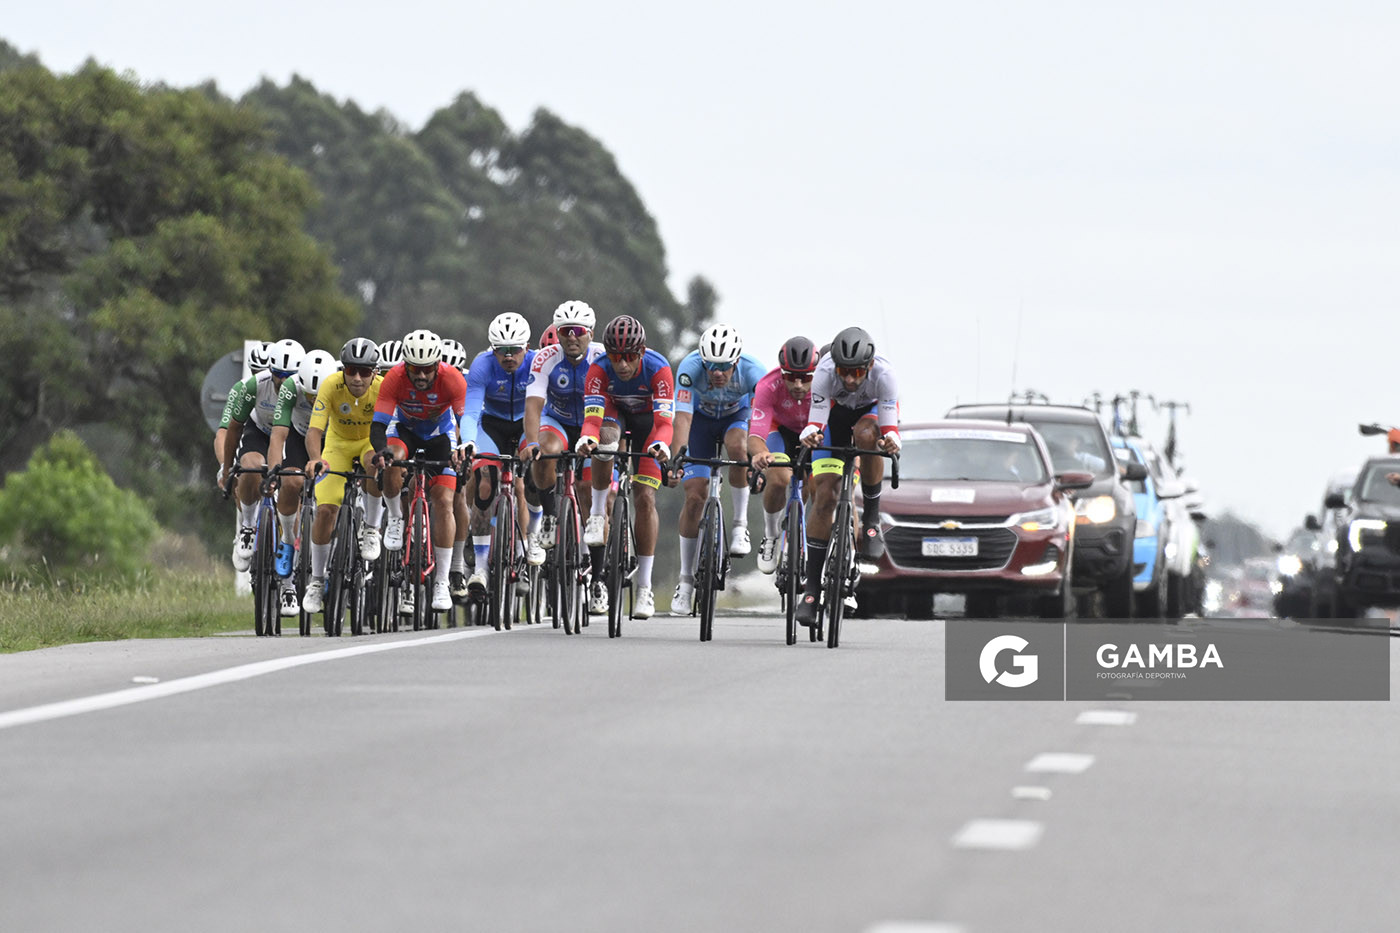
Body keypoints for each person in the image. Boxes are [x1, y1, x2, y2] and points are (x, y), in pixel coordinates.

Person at [795, 326, 901, 628]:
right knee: (825, 494)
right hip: (835, 418)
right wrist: (810, 434)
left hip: (870, 415)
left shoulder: (885, 375)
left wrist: (891, 440)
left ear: (869, 366)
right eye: (845, 372)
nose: (851, 379)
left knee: (868, 436)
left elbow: (889, 424)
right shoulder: (825, 372)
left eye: (857, 372)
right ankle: (812, 592)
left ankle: (871, 519)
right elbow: (816, 419)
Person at [575, 315, 674, 619]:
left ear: (641, 352)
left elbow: (664, 423)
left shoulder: (659, 369)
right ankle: (595, 515)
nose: (622, 364)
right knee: (604, 439)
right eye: (616, 356)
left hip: (648, 424)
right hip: (614, 414)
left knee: (645, 498)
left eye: (629, 357)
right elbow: (592, 419)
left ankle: (644, 588)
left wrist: (661, 445)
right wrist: (586, 439)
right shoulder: (599, 369)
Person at [665, 323, 767, 614]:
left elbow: (760, 424)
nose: (717, 373)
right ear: (702, 361)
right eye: (711, 366)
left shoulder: (753, 372)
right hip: (700, 423)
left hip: (738, 418)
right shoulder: (689, 369)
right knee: (695, 496)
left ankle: (740, 527)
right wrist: (677, 459)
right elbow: (682, 419)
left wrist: (755, 464)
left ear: (736, 362)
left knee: (738, 447)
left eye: (724, 366)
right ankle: (685, 582)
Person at [370, 329, 467, 613]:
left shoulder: (452, 379)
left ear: (438, 365)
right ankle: (397, 519)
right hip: (405, 431)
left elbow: (466, 420)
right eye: (415, 370)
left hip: (441, 436)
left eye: (427, 370)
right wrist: (381, 451)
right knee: (392, 458)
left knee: (444, 501)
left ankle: (441, 581)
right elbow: (378, 425)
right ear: (405, 366)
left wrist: (464, 448)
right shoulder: (394, 378)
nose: (421, 376)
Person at [454, 312, 539, 598]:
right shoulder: (482, 365)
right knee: (486, 481)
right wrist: (467, 442)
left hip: (526, 423)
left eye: (514, 350)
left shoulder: (537, 363)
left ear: (526, 347)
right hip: (491, 425)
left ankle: (524, 549)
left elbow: (546, 406)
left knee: (526, 484)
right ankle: (480, 568)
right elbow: (471, 411)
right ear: (493, 350)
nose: (508, 356)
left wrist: (537, 441)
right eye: (501, 350)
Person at [523, 300, 607, 582]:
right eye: (565, 331)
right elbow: (533, 405)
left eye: (578, 330)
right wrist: (531, 442)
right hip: (556, 420)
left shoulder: (602, 358)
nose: (572, 336)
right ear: (557, 334)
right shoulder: (545, 358)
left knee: (587, 492)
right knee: (545, 450)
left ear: (590, 333)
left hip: (590, 423)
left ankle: (597, 578)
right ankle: (549, 516)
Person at [300, 338, 387, 613]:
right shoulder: (330, 385)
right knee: (325, 509)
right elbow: (314, 430)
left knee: (374, 464)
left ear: (375, 371)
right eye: (351, 371)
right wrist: (316, 459)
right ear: (343, 370)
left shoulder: (383, 388)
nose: (358, 378)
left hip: (368, 442)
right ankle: (316, 580)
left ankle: (371, 528)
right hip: (337, 444)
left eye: (364, 371)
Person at [219, 338, 304, 578]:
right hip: (261, 432)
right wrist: (227, 469)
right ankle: (247, 527)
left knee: (292, 484)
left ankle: (291, 561)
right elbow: (233, 429)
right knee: (249, 467)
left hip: (291, 435)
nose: (283, 381)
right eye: (278, 374)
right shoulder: (254, 386)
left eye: (290, 376)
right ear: (270, 371)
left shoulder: (304, 388)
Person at [265, 348, 338, 615]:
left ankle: (336, 558)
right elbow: (277, 436)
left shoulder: (339, 384)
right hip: (299, 435)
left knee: (334, 498)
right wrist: (275, 472)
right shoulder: (291, 388)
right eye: (309, 395)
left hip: (333, 439)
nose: (313, 400)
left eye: (319, 396)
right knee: (292, 482)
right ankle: (288, 538)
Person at [746, 336, 819, 574]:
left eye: (806, 377)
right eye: (791, 377)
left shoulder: (826, 384)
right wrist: (760, 454)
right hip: (781, 430)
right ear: (782, 373)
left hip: (815, 432)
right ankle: (771, 535)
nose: (798, 385)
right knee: (779, 477)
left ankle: (801, 530)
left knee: (816, 479)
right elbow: (756, 435)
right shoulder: (768, 386)